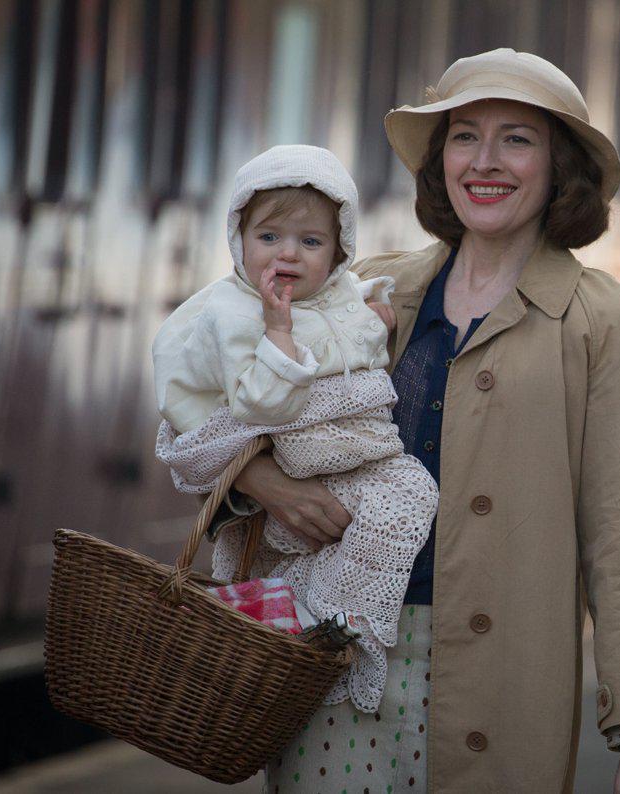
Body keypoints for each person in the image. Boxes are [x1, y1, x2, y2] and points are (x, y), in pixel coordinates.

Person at [233, 49, 620, 792]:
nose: (486, 162)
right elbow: (235, 414)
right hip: (337, 657)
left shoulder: (602, 321)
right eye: (465, 136)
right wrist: (268, 483)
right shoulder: (371, 291)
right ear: (441, 161)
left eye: (517, 138)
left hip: (504, 688)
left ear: (558, 165)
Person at [151, 145, 438, 711]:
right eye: (268, 238)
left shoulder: (340, 295)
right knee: (370, 512)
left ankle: (336, 616)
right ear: (238, 239)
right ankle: (315, 620)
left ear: (337, 254)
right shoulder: (230, 317)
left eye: (310, 243)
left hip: (359, 465)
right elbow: (258, 407)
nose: (288, 254)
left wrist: (378, 319)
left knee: (412, 497)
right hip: (299, 463)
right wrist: (279, 338)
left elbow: (353, 333)